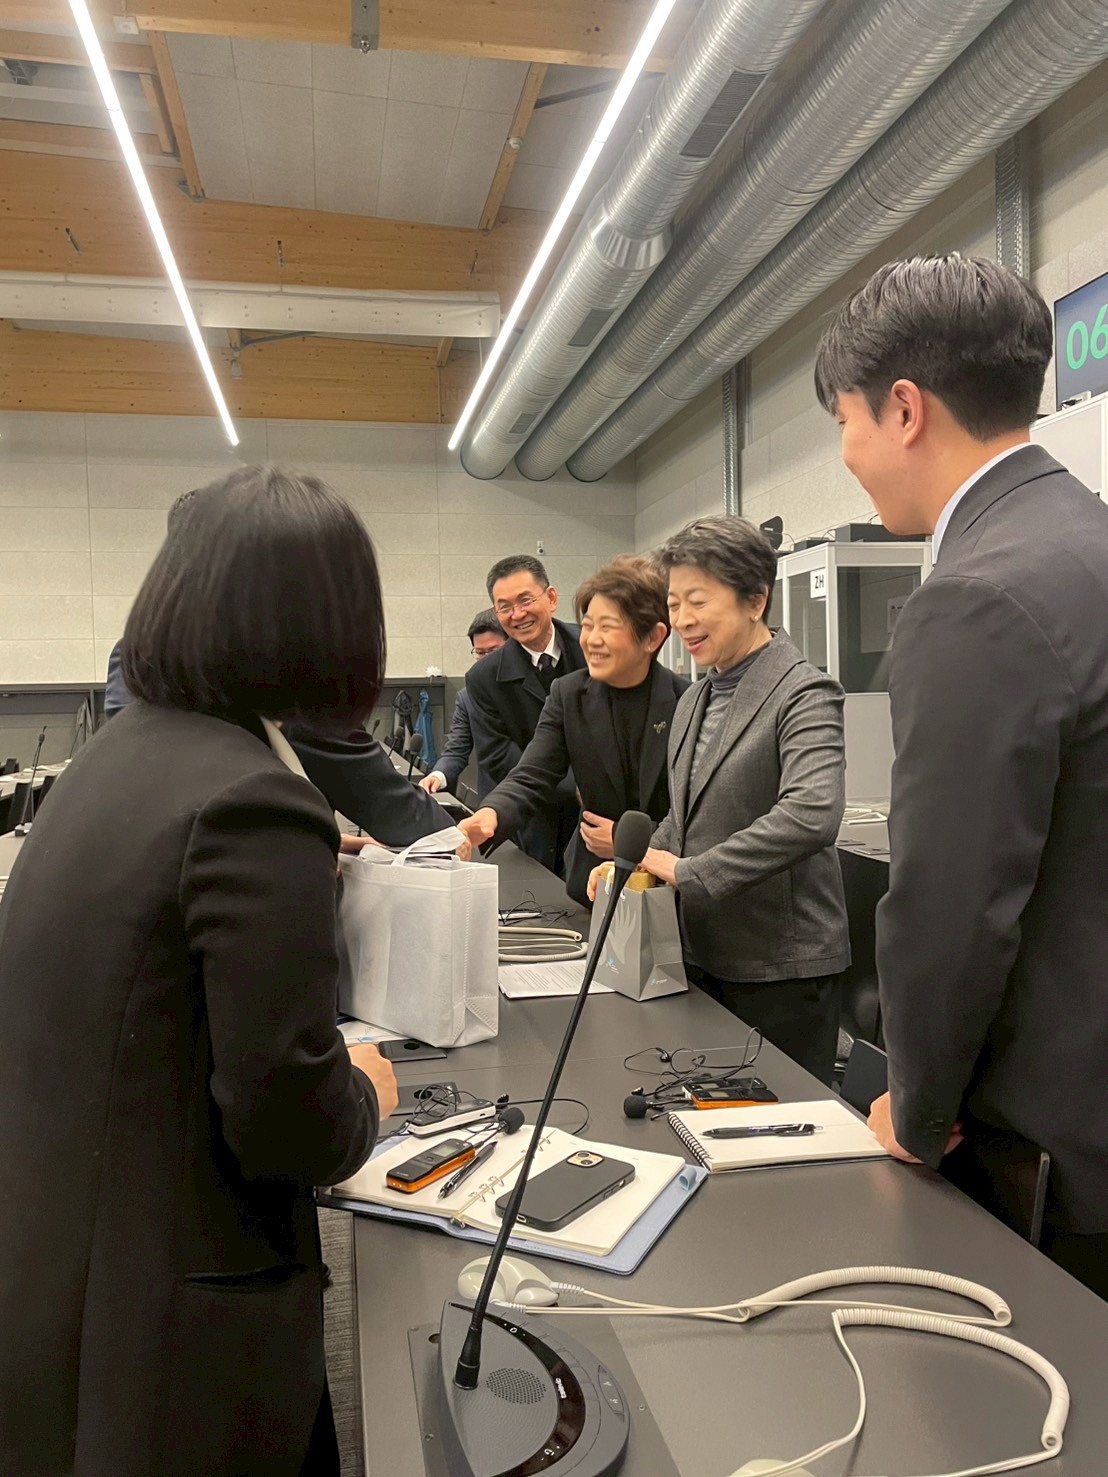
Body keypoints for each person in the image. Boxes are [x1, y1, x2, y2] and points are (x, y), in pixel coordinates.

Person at [0, 466, 400, 1475]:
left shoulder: (110, 757)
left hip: (58, 1267)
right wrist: (364, 1091)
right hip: (169, 1327)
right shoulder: (251, 800)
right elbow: (287, 1119)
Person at [815, 253, 1108, 1297]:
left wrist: (917, 1102)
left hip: (1054, 1146)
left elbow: (951, 901)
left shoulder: (974, 595)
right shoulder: (1086, 543)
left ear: (903, 409)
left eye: (842, 420)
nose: (845, 453)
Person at [593, 517, 851, 1083]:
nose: (682, 619)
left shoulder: (804, 692)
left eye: (698, 601)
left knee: (776, 1119)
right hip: (701, 953)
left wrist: (691, 873)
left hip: (779, 968)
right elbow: (684, 816)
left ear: (755, 600)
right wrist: (633, 865)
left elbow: (811, 814)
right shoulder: (695, 699)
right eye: (674, 603)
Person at [102, 494, 448, 848]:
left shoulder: (134, 651)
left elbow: (153, 790)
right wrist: (453, 833)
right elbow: (378, 796)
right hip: (248, 870)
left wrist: (342, 841)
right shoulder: (271, 658)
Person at [461, 557, 689, 905]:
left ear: (653, 637)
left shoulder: (686, 702)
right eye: (587, 626)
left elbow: (696, 814)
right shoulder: (568, 695)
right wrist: (490, 814)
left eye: (607, 627)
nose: (592, 640)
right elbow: (532, 773)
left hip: (671, 886)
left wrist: (629, 842)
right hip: (591, 884)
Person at [466, 554, 586, 873]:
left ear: (551, 598)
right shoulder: (483, 678)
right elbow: (498, 756)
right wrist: (573, 787)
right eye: (504, 607)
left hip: (599, 815)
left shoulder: (592, 647)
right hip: (532, 817)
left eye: (525, 600)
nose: (517, 614)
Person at [420, 608, 507, 800]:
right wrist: (437, 775)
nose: (486, 660)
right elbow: (456, 750)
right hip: (493, 800)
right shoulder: (467, 697)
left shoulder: (533, 687)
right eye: (480, 653)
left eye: (493, 651)